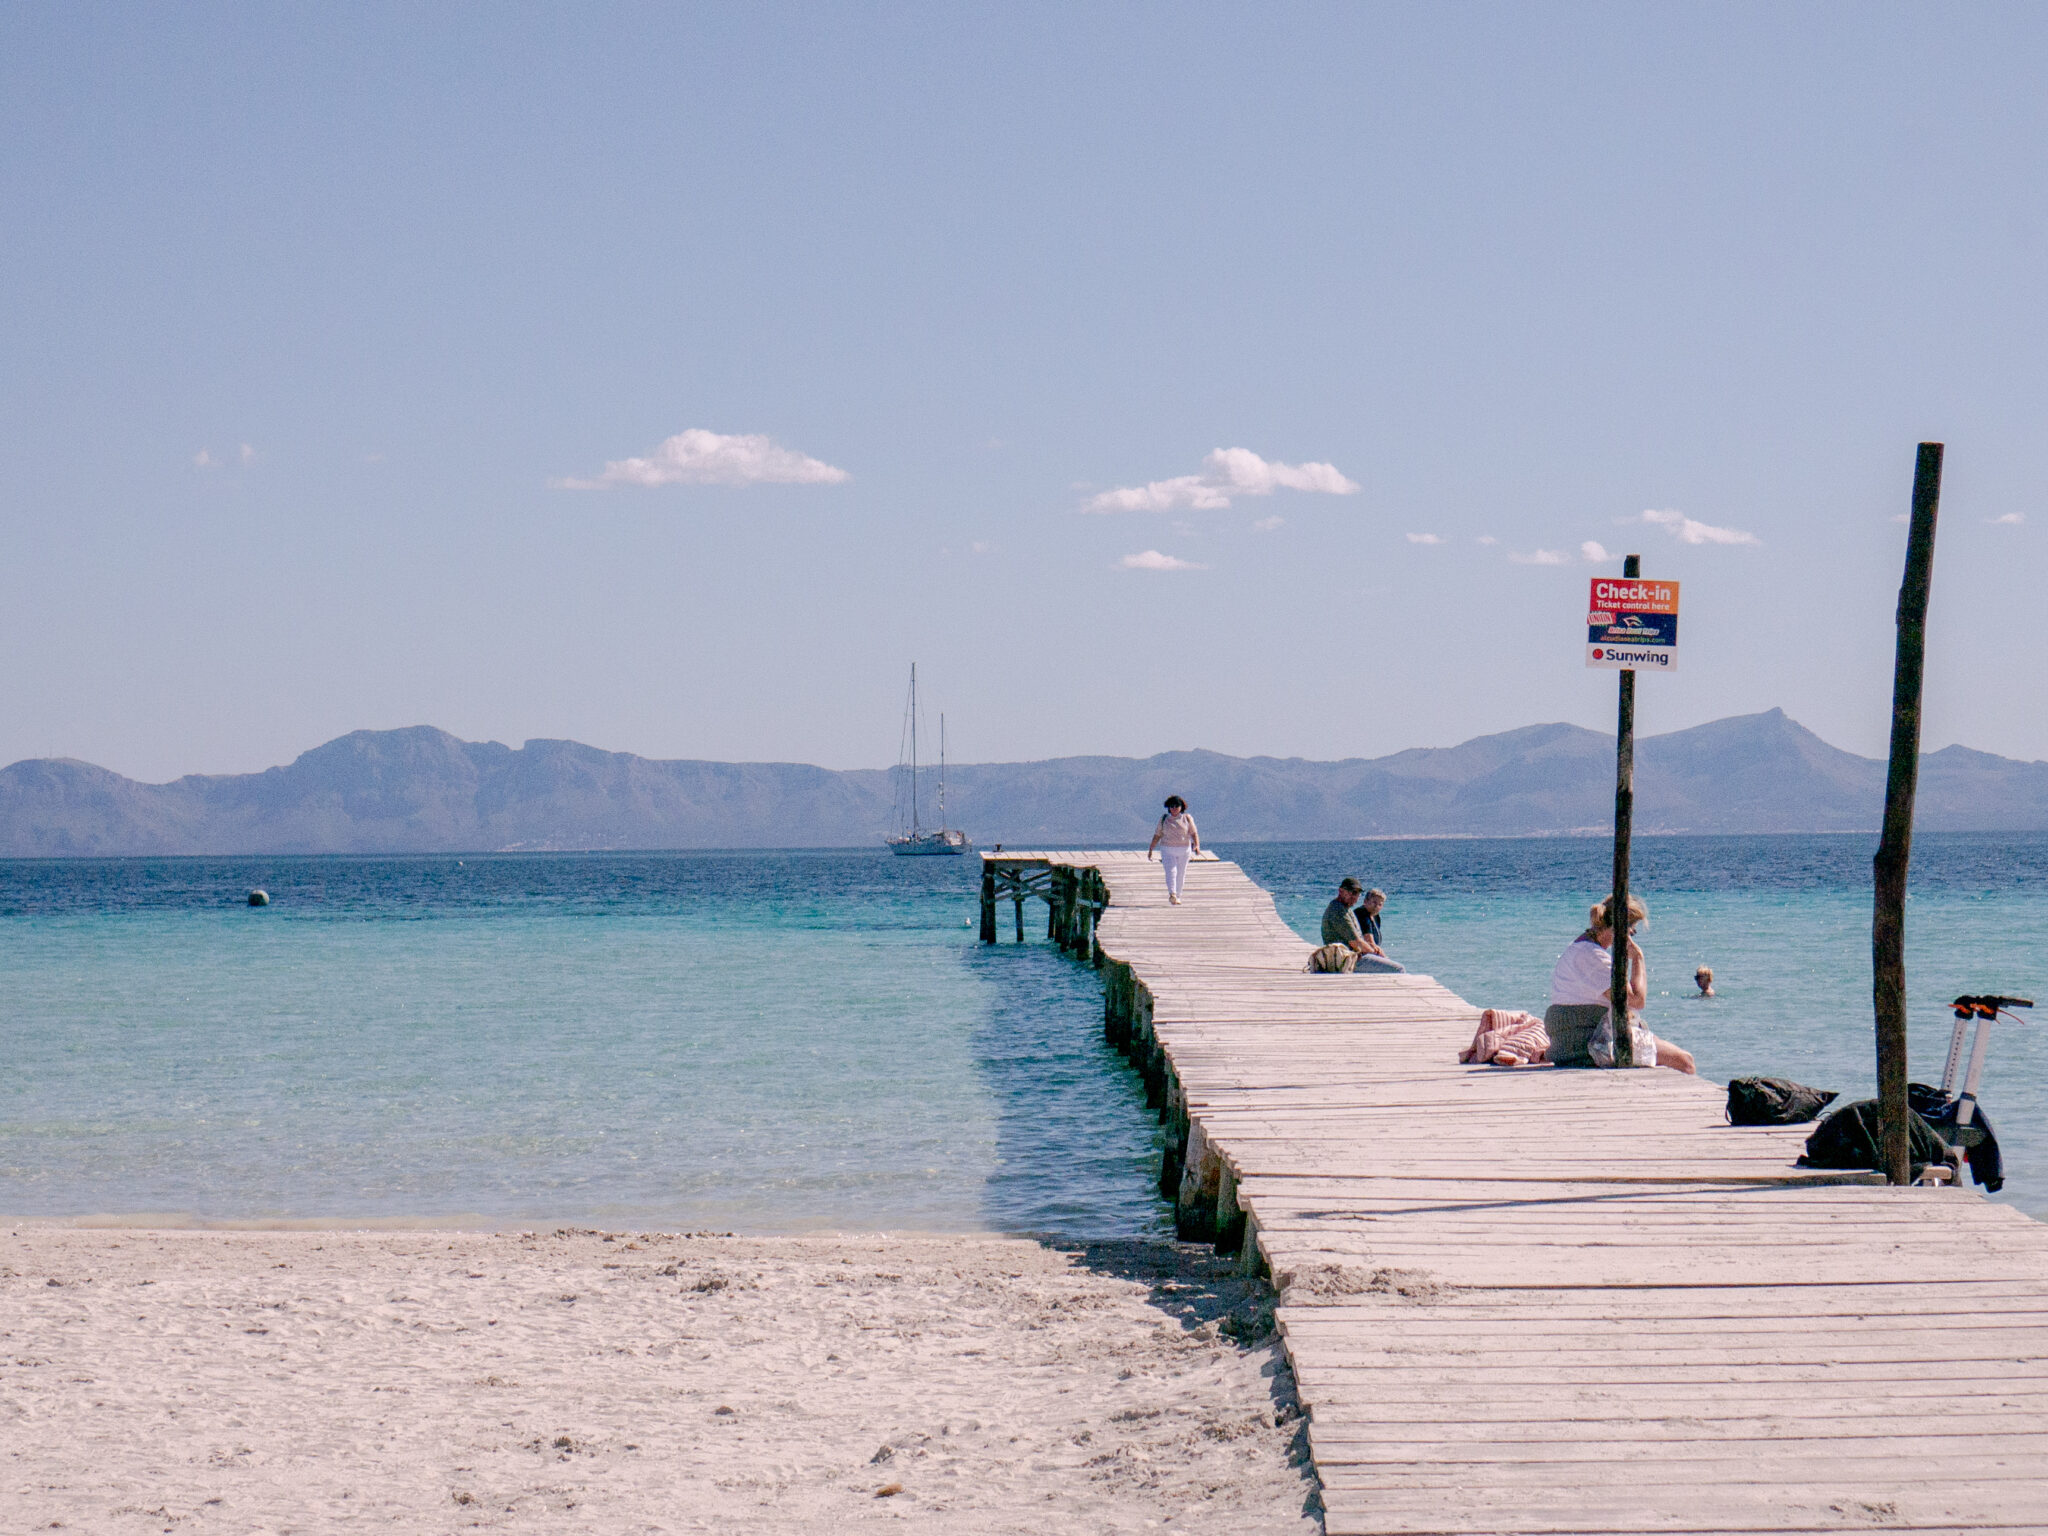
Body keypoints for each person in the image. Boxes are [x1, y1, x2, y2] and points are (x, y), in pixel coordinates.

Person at [1545, 894, 1696, 1073]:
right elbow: (1637, 1000)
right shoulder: (1594, 958)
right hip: (1594, 1042)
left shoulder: (1578, 948)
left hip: (1577, 1038)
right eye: (1632, 931)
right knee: (1685, 1061)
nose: (1632, 936)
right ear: (1622, 928)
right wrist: (1638, 958)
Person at [1320, 878, 1406, 973]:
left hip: (1350, 957)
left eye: (1357, 894)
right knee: (1398, 969)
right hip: (1345, 960)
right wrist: (1376, 954)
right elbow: (1356, 942)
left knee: (1389, 964)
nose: (1355, 897)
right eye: (1352, 892)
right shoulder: (1338, 910)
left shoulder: (1346, 909)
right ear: (1341, 891)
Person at [1146, 795, 1200, 904]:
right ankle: (1172, 894)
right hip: (1167, 849)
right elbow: (1157, 835)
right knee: (1171, 871)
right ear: (1168, 807)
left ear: (1181, 807)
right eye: (1172, 806)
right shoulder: (1164, 819)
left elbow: (1194, 833)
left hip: (1184, 849)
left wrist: (1197, 846)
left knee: (1181, 872)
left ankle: (1178, 896)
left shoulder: (1187, 818)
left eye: (1177, 806)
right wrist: (1151, 848)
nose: (1174, 808)